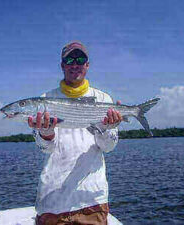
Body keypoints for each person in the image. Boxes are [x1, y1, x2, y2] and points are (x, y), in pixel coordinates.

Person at [28, 41, 122, 225]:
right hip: (53, 199)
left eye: (80, 59)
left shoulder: (103, 99)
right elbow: (44, 149)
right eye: (70, 59)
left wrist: (106, 128)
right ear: (62, 65)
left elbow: (109, 147)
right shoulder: (45, 100)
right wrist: (46, 133)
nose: (75, 64)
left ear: (87, 64)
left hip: (92, 198)